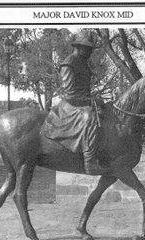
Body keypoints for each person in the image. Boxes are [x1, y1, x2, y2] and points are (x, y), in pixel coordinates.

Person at [42, 32, 108, 175]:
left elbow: (85, 90)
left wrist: (95, 100)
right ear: (78, 47)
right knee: (89, 117)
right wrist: (91, 101)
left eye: (91, 49)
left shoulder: (84, 64)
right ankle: (89, 162)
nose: (90, 52)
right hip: (70, 106)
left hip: (82, 103)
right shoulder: (69, 63)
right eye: (87, 48)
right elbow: (69, 93)